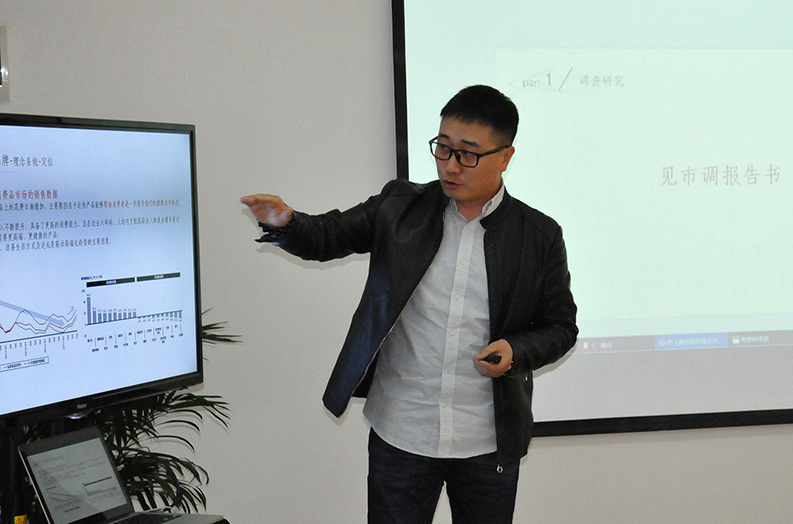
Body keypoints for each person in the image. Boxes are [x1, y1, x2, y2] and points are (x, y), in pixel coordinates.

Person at [241, 84, 577, 524]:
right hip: (401, 432)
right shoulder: (399, 207)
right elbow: (328, 236)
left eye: (467, 154)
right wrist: (287, 223)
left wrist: (516, 351)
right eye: (443, 148)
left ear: (505, 157)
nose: (450, 165)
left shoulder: (538, 235)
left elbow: (561, 327)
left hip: (486, 438)